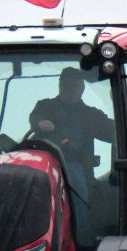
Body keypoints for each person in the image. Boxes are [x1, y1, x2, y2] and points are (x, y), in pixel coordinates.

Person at [29, 67, 115, 235]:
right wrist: (41, 123)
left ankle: (80, 233)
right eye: (67, 86)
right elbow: (36, 118)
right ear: (60, 86)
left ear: (82, 89)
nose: (71, 90)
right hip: (45, 165)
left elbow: (114, 132)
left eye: (75, 87)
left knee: (77, 190)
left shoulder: (91, 115)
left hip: (76, 166)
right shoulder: (45, 107)